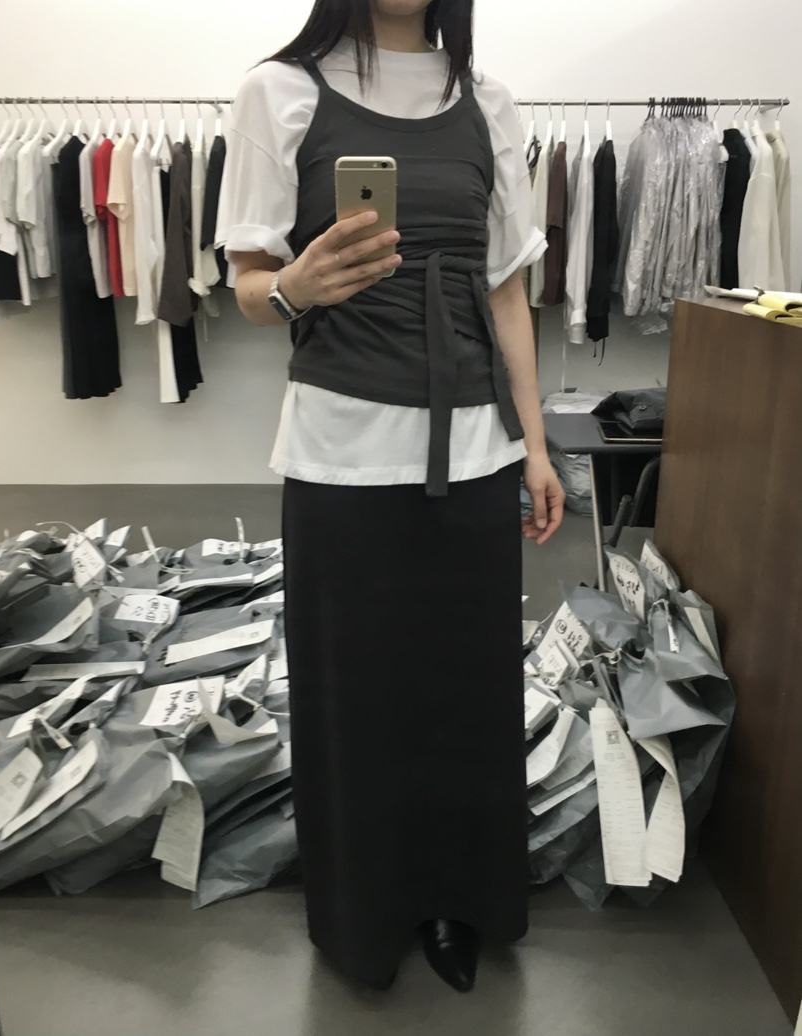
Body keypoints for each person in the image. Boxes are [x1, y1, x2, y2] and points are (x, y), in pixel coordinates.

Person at [217, 0, 565, 994]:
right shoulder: (279, 91)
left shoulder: (487, 101)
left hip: (476, 447)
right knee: (356, 697)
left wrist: (535, 446)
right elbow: (246, 283)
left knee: (467, 692)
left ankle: (460, 901)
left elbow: (506, 292)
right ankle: (362, 911)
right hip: (340, 450)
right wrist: (297, 286)